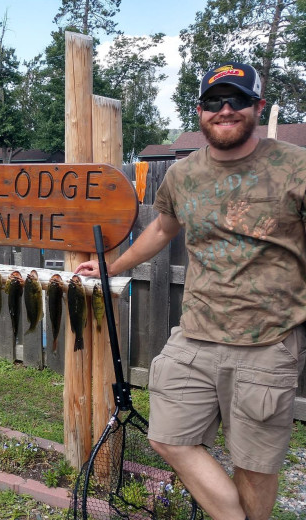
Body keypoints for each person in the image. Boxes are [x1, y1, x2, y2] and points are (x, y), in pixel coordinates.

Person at [76, 62, 306, 520]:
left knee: (254, 466)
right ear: (199, 111)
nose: (225, 110)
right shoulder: (182, 175)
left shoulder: (295, 166)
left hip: (267, 342)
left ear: (257, 107)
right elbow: (163, 229)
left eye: (237, 100)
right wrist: (111, 267)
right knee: (167, 437)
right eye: (214, 102)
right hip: (194, 335)